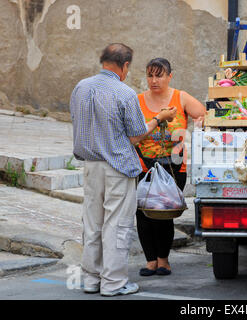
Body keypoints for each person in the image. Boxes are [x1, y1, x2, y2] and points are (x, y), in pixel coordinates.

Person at [70, 44, 177, 297]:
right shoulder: (124, 92)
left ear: (103, 60)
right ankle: (113, 283)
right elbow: (137, 135)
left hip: (90, 165)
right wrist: (159, 118)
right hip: (117, 167)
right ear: (125, 65)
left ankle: (90, 280)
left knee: (92, 224)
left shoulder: (80, 87)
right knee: (116, 226)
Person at [136, 57, 205, 276]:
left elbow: (203, 114)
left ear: (169, 76)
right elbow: (134, 135)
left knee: (163, 213)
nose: (154, 80)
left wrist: (197, 126)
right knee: (143, 214)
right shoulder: (137, 100)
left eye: (159, 75)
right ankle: (150, 261)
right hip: (143, 167)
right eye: (150, 75)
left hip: (173, 168)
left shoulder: (180, 97)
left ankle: (163, 260)